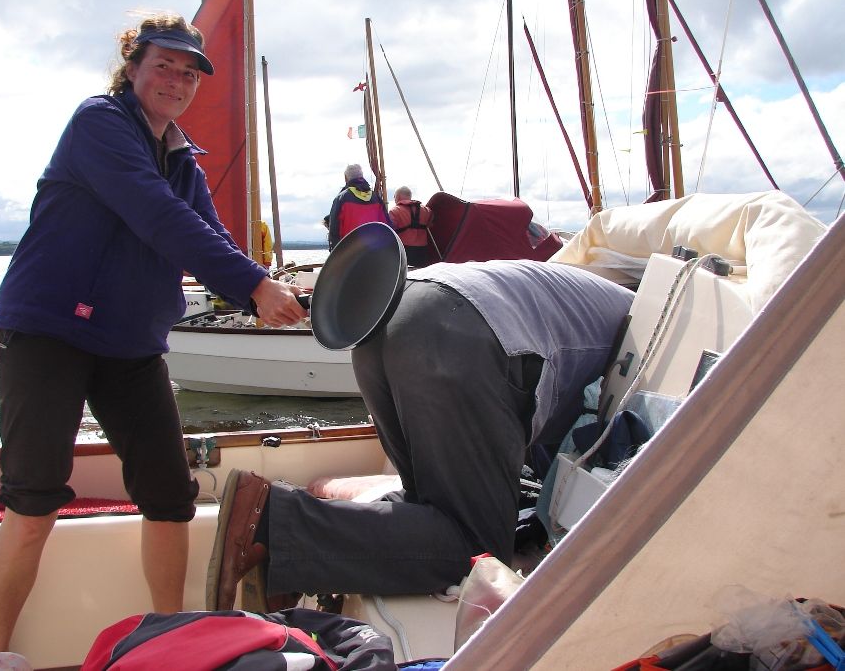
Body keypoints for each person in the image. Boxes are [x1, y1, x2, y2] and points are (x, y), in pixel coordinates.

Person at [0, 13, 307, 652]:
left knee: (169, 496)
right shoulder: (99, 123)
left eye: (189, 73)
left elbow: (208, 235)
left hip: (129, 342)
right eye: (164, 66)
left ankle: (172, 644)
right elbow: (156, 214)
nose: (176, 81)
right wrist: (253, 286)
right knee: (34, 501)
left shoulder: (184, 160)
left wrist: (269, 289)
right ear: (132, 68)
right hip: (48, 330)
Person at [205, 259, 634, 612]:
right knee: (478, 550)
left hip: (387, 318)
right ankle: (275, 526)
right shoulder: (653, 341)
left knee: (429, 506)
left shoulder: (616, 301)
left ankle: (287, 551)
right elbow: (592, 451)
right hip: (455, 337)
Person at [327, 164, 391, 249]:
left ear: (346, 178)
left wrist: (334, 250)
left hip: (349, 251)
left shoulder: (341, 199)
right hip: (375, 251)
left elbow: (334, 230)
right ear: (362, 177)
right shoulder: (376, 198)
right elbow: (386, 226)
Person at [388, 185, 434, 267]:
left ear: (398, 196)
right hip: (423, 250)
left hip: (404, 250)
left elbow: (389, 232)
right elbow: (430, 224)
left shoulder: (394, 211)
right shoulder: (427, 210)